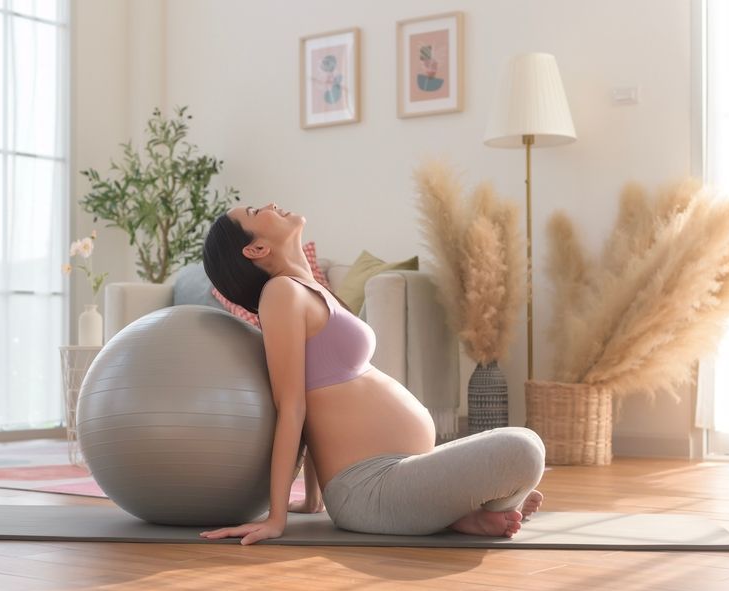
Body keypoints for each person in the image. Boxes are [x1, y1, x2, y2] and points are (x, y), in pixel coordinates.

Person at [199, 202, 545, 545]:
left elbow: (317, 394)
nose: (271, 205)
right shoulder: (280, 293)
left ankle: (459, 513)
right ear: (256, 248)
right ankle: (467, 508)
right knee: (521, 451)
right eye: (257, 212)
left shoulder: (306, 290)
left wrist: (311, 500)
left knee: (527, 440)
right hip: (368, 489)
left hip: (402, 471)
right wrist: (277, 519)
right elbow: (291, 407)